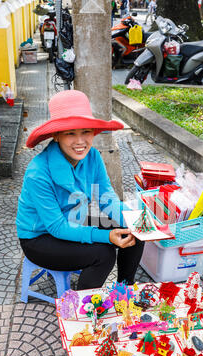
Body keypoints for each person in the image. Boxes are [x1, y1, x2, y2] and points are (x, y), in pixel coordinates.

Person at [16, 90, 145, 290]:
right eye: (70, 133)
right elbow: (57, 227)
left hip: (75, 218)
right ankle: (82, 308)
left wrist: (138, 219)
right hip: (40, 238)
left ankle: (125, 290)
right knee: (103, 254)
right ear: (57, 136)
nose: (80, 141)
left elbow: (106, 198)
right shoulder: (38, 173)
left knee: (135, 231)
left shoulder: (93, 156)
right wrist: (105, 237)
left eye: (85, 131)